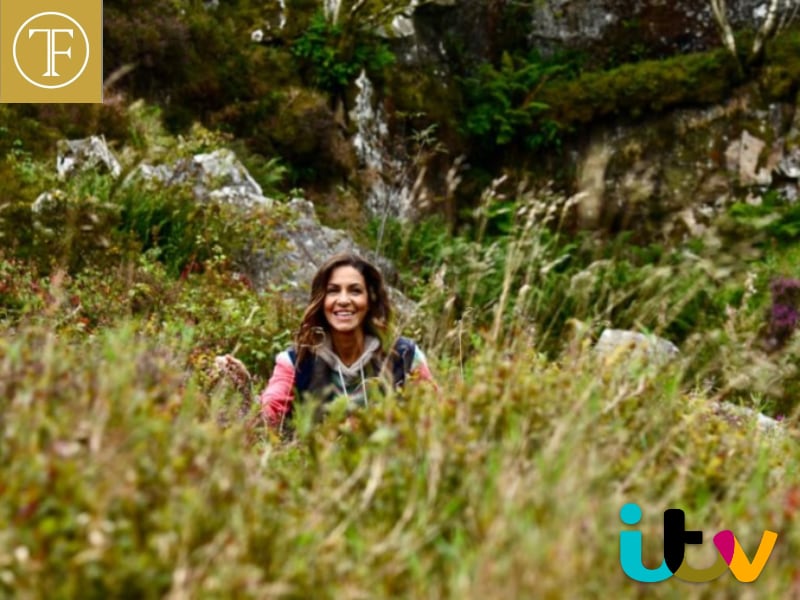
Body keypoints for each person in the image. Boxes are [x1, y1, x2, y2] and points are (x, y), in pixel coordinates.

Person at [217, 253, 434, 430]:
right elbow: (268, 418)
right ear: (322, 301)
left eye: (355, 291)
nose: (343, 300)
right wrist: (243, 388)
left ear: (370, 300)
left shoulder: (404, 356)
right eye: (333, 291)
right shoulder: (295, 362)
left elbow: (437, 419)